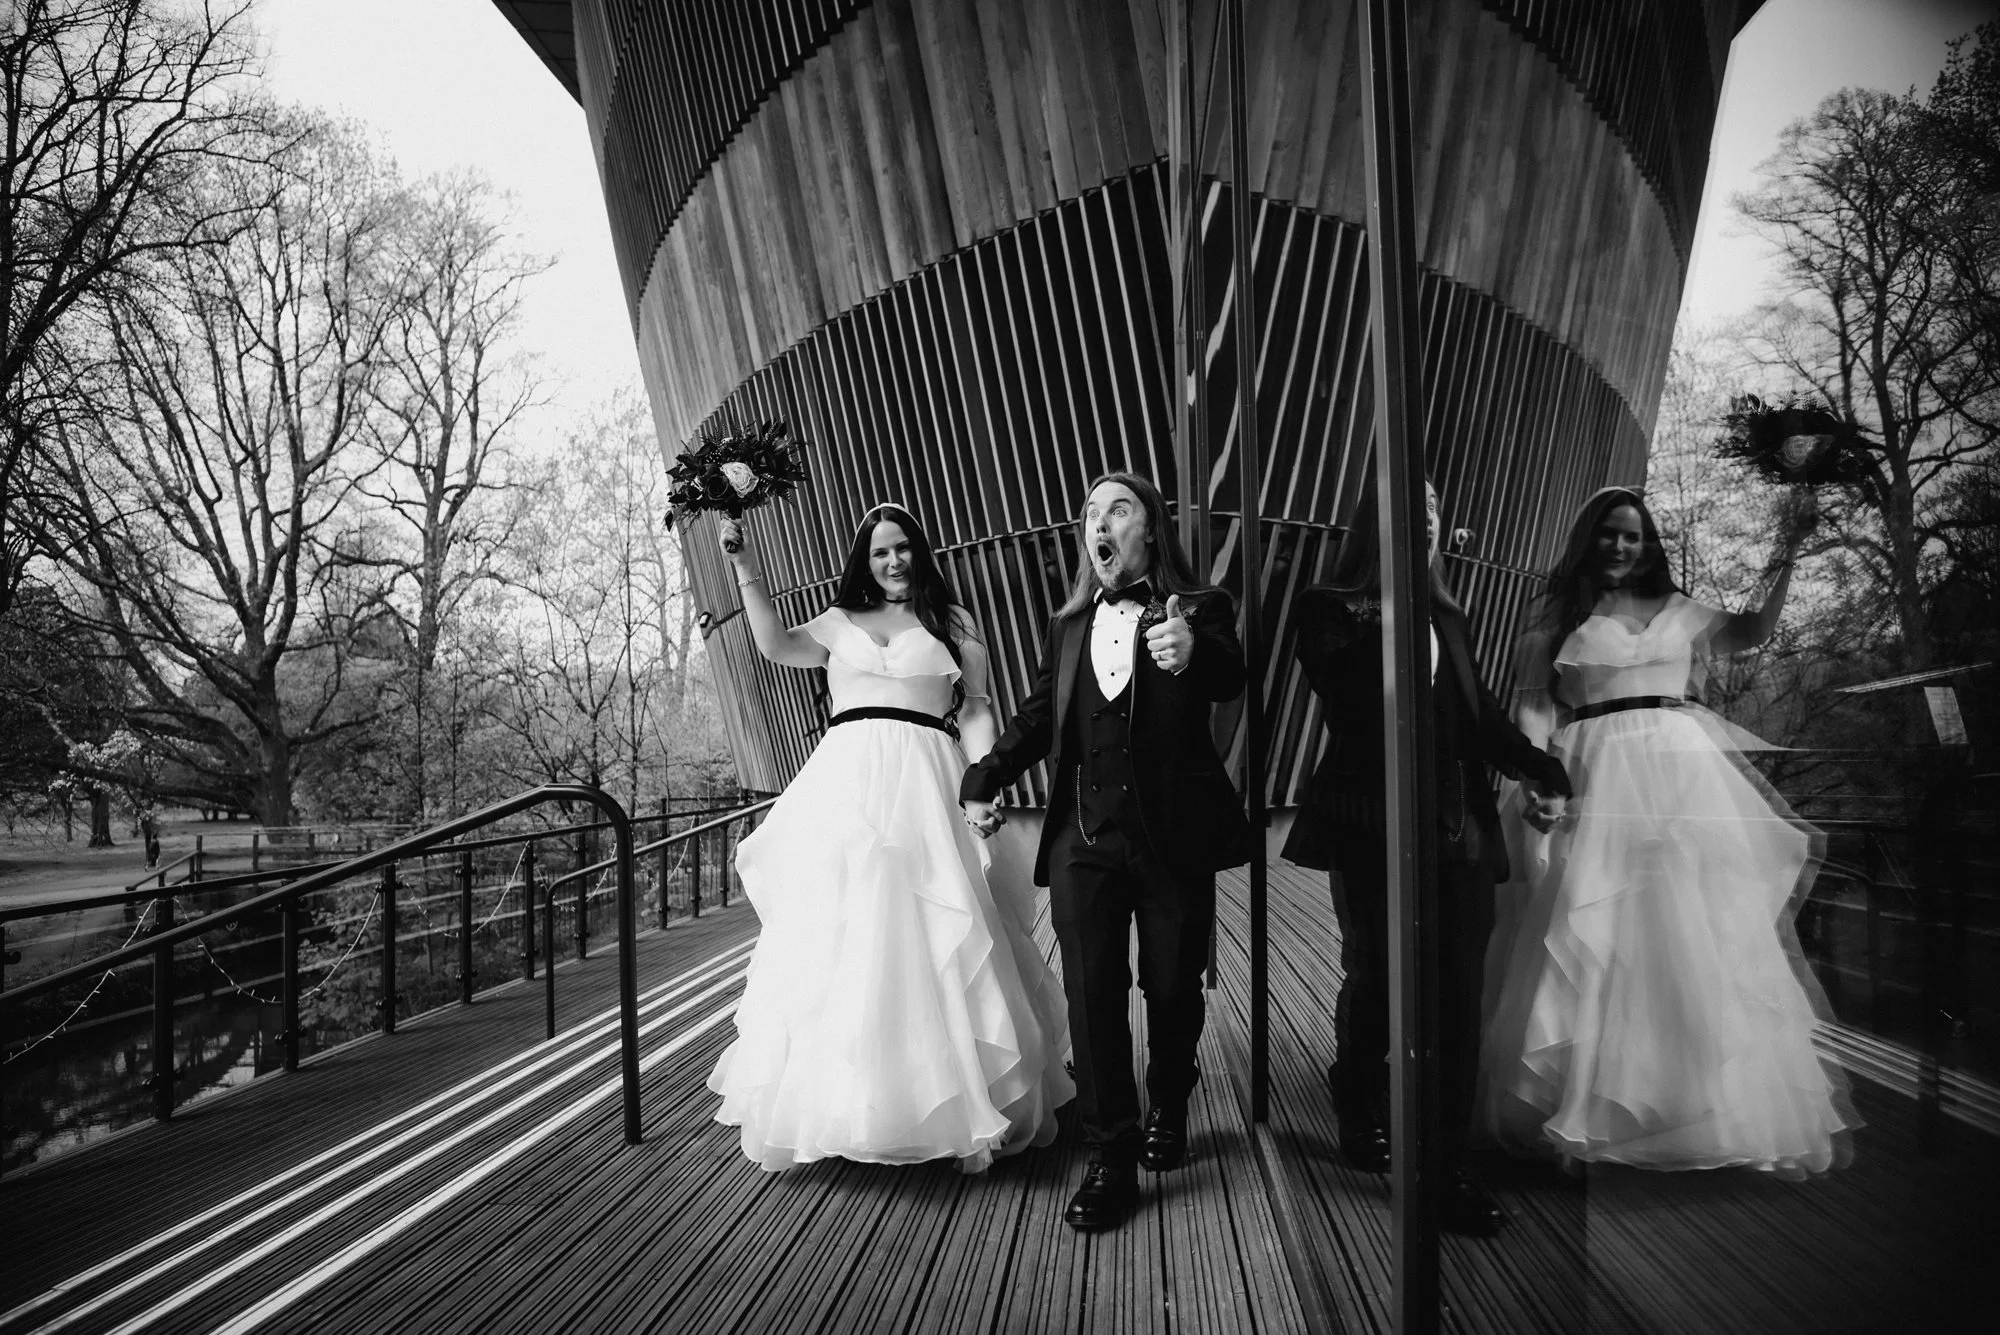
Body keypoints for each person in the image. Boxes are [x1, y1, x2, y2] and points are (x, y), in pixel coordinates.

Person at [1478, 486, 1855, 1174]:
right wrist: (1540, 785)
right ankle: (1584, 1114)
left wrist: (1790, 546)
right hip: (1592, 780)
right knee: (1590, 933)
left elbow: (1755, 632)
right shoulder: (1555, 622)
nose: (1622, 546)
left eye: (1635, 536)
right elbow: (1533, 714)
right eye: (1610, 535)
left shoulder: (1681, 610)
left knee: (1691, 933)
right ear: (1589, 540)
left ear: (1649, 545)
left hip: (1683, 780)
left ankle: (1697, 1110)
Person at [706, 503, 1074, 1173]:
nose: (893, 560)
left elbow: (977, 709)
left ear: (919, 551)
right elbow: (776, 646)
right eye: (879, 552)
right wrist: (744, 565)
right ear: (864, 561)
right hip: (847, 787)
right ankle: (854, 1104)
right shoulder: (838, 620)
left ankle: (955, 1104)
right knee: (846, 938)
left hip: (930, 783)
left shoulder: (954, 622)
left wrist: (983, 784)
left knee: (939, 934)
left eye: (902, 547)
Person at [960, 471, 1251, 1232]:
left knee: (1173, 985)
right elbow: (1033, 719)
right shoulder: (1066, 626)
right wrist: (982, 776)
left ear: (1149, 528)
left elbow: (1232, 671)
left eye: (1117, 509)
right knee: (1092, 998)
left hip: (1171, 837)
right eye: (1090, 512)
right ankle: (1108, 1156)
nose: (1101, 522)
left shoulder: (1200, 608)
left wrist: (1190, 649)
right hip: (1083, 838)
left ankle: (1171, 1097)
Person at [1280, 480, 1572, 1236]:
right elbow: (1344, 690)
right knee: (1375, 974)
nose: (1429, 524)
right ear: (1377, 525)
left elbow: (1482, 719)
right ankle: (1356, 1091)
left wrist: (1542, 766)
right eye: (1413, 512)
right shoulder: (1326, 607)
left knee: (1455, 997)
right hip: (1369, 824)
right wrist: (1397, 601)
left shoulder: (1453, 615)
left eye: (1436, 515)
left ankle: (1447, 1166)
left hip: (1459, 833)